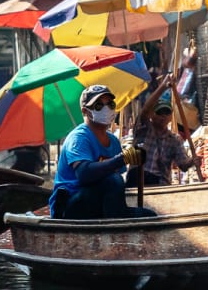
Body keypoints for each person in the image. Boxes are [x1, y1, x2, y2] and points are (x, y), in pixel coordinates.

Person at [49, 83, 153, 219]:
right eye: (98, 106)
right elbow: (84, 174)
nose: (106, 109)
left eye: (110, 105)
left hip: (99, 205)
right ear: (85, 111)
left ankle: (119, 219)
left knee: (149, 215)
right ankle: (117, 220)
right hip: (71, 207)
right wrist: (121, 159)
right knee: (112, 180)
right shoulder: (79, 138)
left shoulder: (113, 141)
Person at [133, 75, 195, 187]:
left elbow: (183, 165)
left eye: (166, 113)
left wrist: (193, 161)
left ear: (171, 117)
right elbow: (145, 110)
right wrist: (163, 86)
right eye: (159, 113)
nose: (163, 116)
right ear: (152, 114)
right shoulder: (143, 128)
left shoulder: (174, 140)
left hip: (160, 184)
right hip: (138, 180)